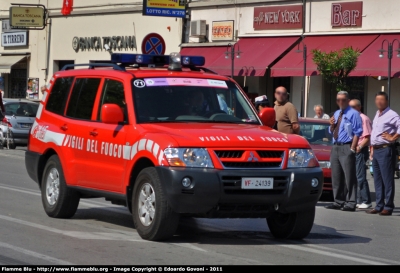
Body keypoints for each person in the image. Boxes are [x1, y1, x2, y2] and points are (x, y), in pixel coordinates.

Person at [325, 91, 363, 212]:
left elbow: (358, 132)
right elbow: (331, 131)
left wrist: (352, 148)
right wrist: (331, 125)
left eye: (343, 99)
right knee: (336, 176)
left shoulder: (354, 113)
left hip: (347, 146)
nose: (340, 102)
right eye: (338, 100)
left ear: (347, 100)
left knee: (349, 176)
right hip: (335, 146)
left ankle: (351, 202)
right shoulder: (336, 113)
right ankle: (338, 201)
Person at [366, 92, 400, 216]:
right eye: (377, 100)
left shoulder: (392, 115)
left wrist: (393, 137)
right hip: (376, 150)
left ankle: (388, 206)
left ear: (387, 101)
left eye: (382, 100)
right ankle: (379, 205)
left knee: (387, 179)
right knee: (377, 179)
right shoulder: (377, 114)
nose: (379, 102)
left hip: (386, 150)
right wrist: (372, 149)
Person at [349, 99, 372, 209]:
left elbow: (367, 137)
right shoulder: (352, 118)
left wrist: (359, 147)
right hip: (352, 149)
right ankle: (358, 200)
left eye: (353, 107)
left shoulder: (364, 119)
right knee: (354, 176)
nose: (351, 109)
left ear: (359, 107)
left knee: (360, 176)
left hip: (360, 150)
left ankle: (366, 200)